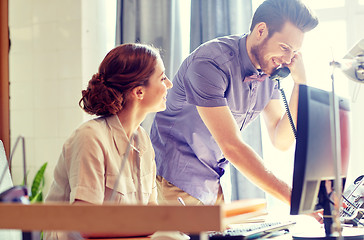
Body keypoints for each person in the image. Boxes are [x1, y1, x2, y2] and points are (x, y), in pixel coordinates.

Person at [150, 0, 319, 206]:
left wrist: (300, 84)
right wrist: (296, 199)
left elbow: (281, 139)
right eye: (284, 47)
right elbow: (231, 146)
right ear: (261, 30)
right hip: (175, 179)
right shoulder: (211, 62)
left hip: (212, 181)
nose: (287, 58)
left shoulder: (268, 71)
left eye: (293, 52)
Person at [44, 43, 173, 239]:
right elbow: (88, 227)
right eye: (162, 78)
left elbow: (151, 212)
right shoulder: (90, 137)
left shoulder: (143, 141)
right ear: (139, 92)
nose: (169, 84)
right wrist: (155, 225)